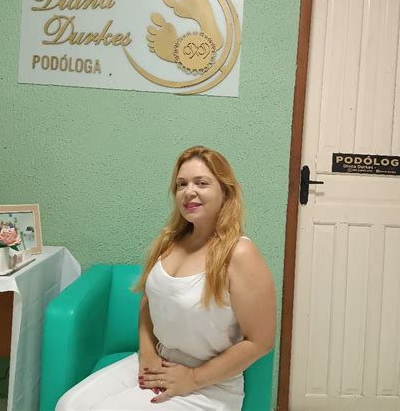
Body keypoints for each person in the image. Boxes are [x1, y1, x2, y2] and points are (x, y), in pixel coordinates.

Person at [56, 146, 277, 410]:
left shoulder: (239, 252)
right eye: (181, 184)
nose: (189, 191)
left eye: (201, 183)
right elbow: (149, 303)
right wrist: (147, 353)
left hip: (210, 386)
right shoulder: (170, 242)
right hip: (158, 363)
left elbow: (260, 341)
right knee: (68, 405)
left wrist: (193, 378)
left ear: (225, 191)